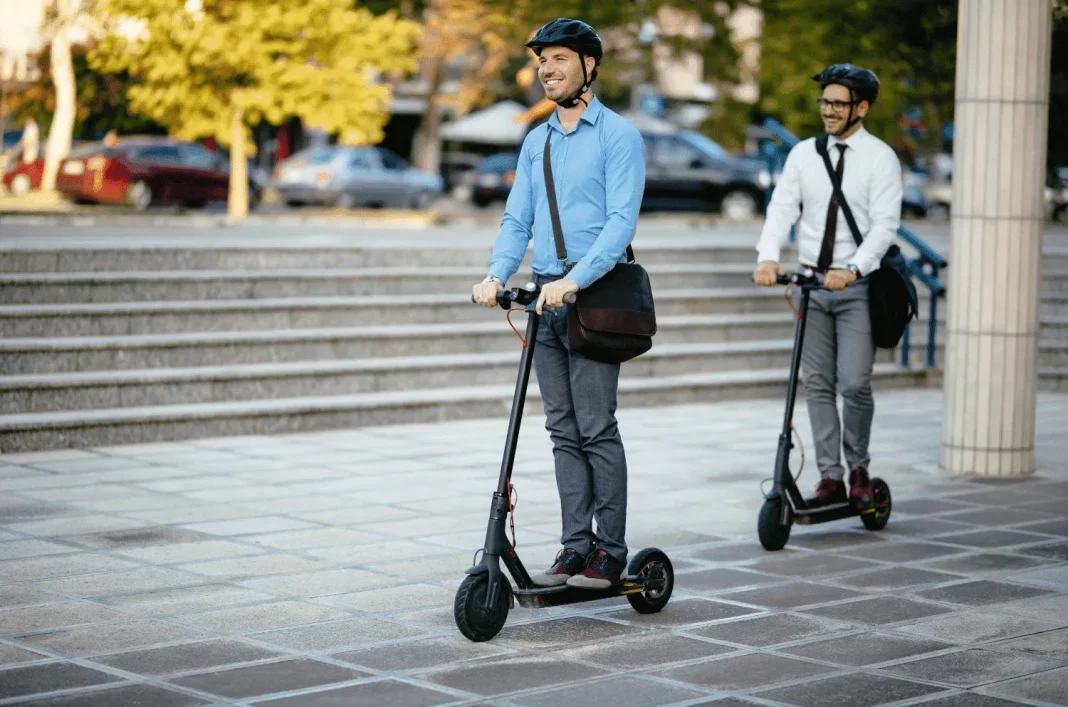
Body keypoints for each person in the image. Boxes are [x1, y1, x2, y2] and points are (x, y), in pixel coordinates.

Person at [471, 18, 645, 590]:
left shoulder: (618, 136)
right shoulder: (537, 139)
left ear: (589, 66)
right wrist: (497, 274)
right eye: (541, 61)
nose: (547, 69)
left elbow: (620, 224)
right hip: (545, 299)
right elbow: (517, 217)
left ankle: (610, 548)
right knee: (562, 429)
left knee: (596, 426)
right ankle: (575, 546)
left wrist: (574, 280)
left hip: (593, 297)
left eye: (559, 59)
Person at [753, 63, 902, 509]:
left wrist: (854, 269)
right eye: (825, 102)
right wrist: (768, 256)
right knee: (816, 382)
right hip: (811, 286)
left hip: (855, 287)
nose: (829, 111)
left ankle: (858, 467)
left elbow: (884, 226)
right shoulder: (803, 154)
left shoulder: (880, 158)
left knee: (854, 382)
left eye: (839, 103)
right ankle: (830, 477)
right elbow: (782, 208)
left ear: (862, 107)